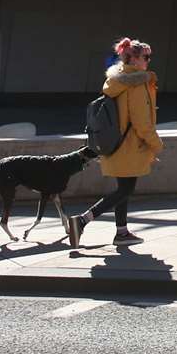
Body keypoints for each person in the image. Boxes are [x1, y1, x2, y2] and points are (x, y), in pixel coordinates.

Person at [67, 37, 163, 247]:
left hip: (114, 144)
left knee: (123, 188)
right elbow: (142, 122)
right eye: (146, 57)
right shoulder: (137, 84)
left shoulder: (116, 81)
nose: (148, 61)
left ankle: (122, 232)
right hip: (130, 146)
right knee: (125, 190)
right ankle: (82, 221)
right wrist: (156, 144)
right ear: (134, 60)